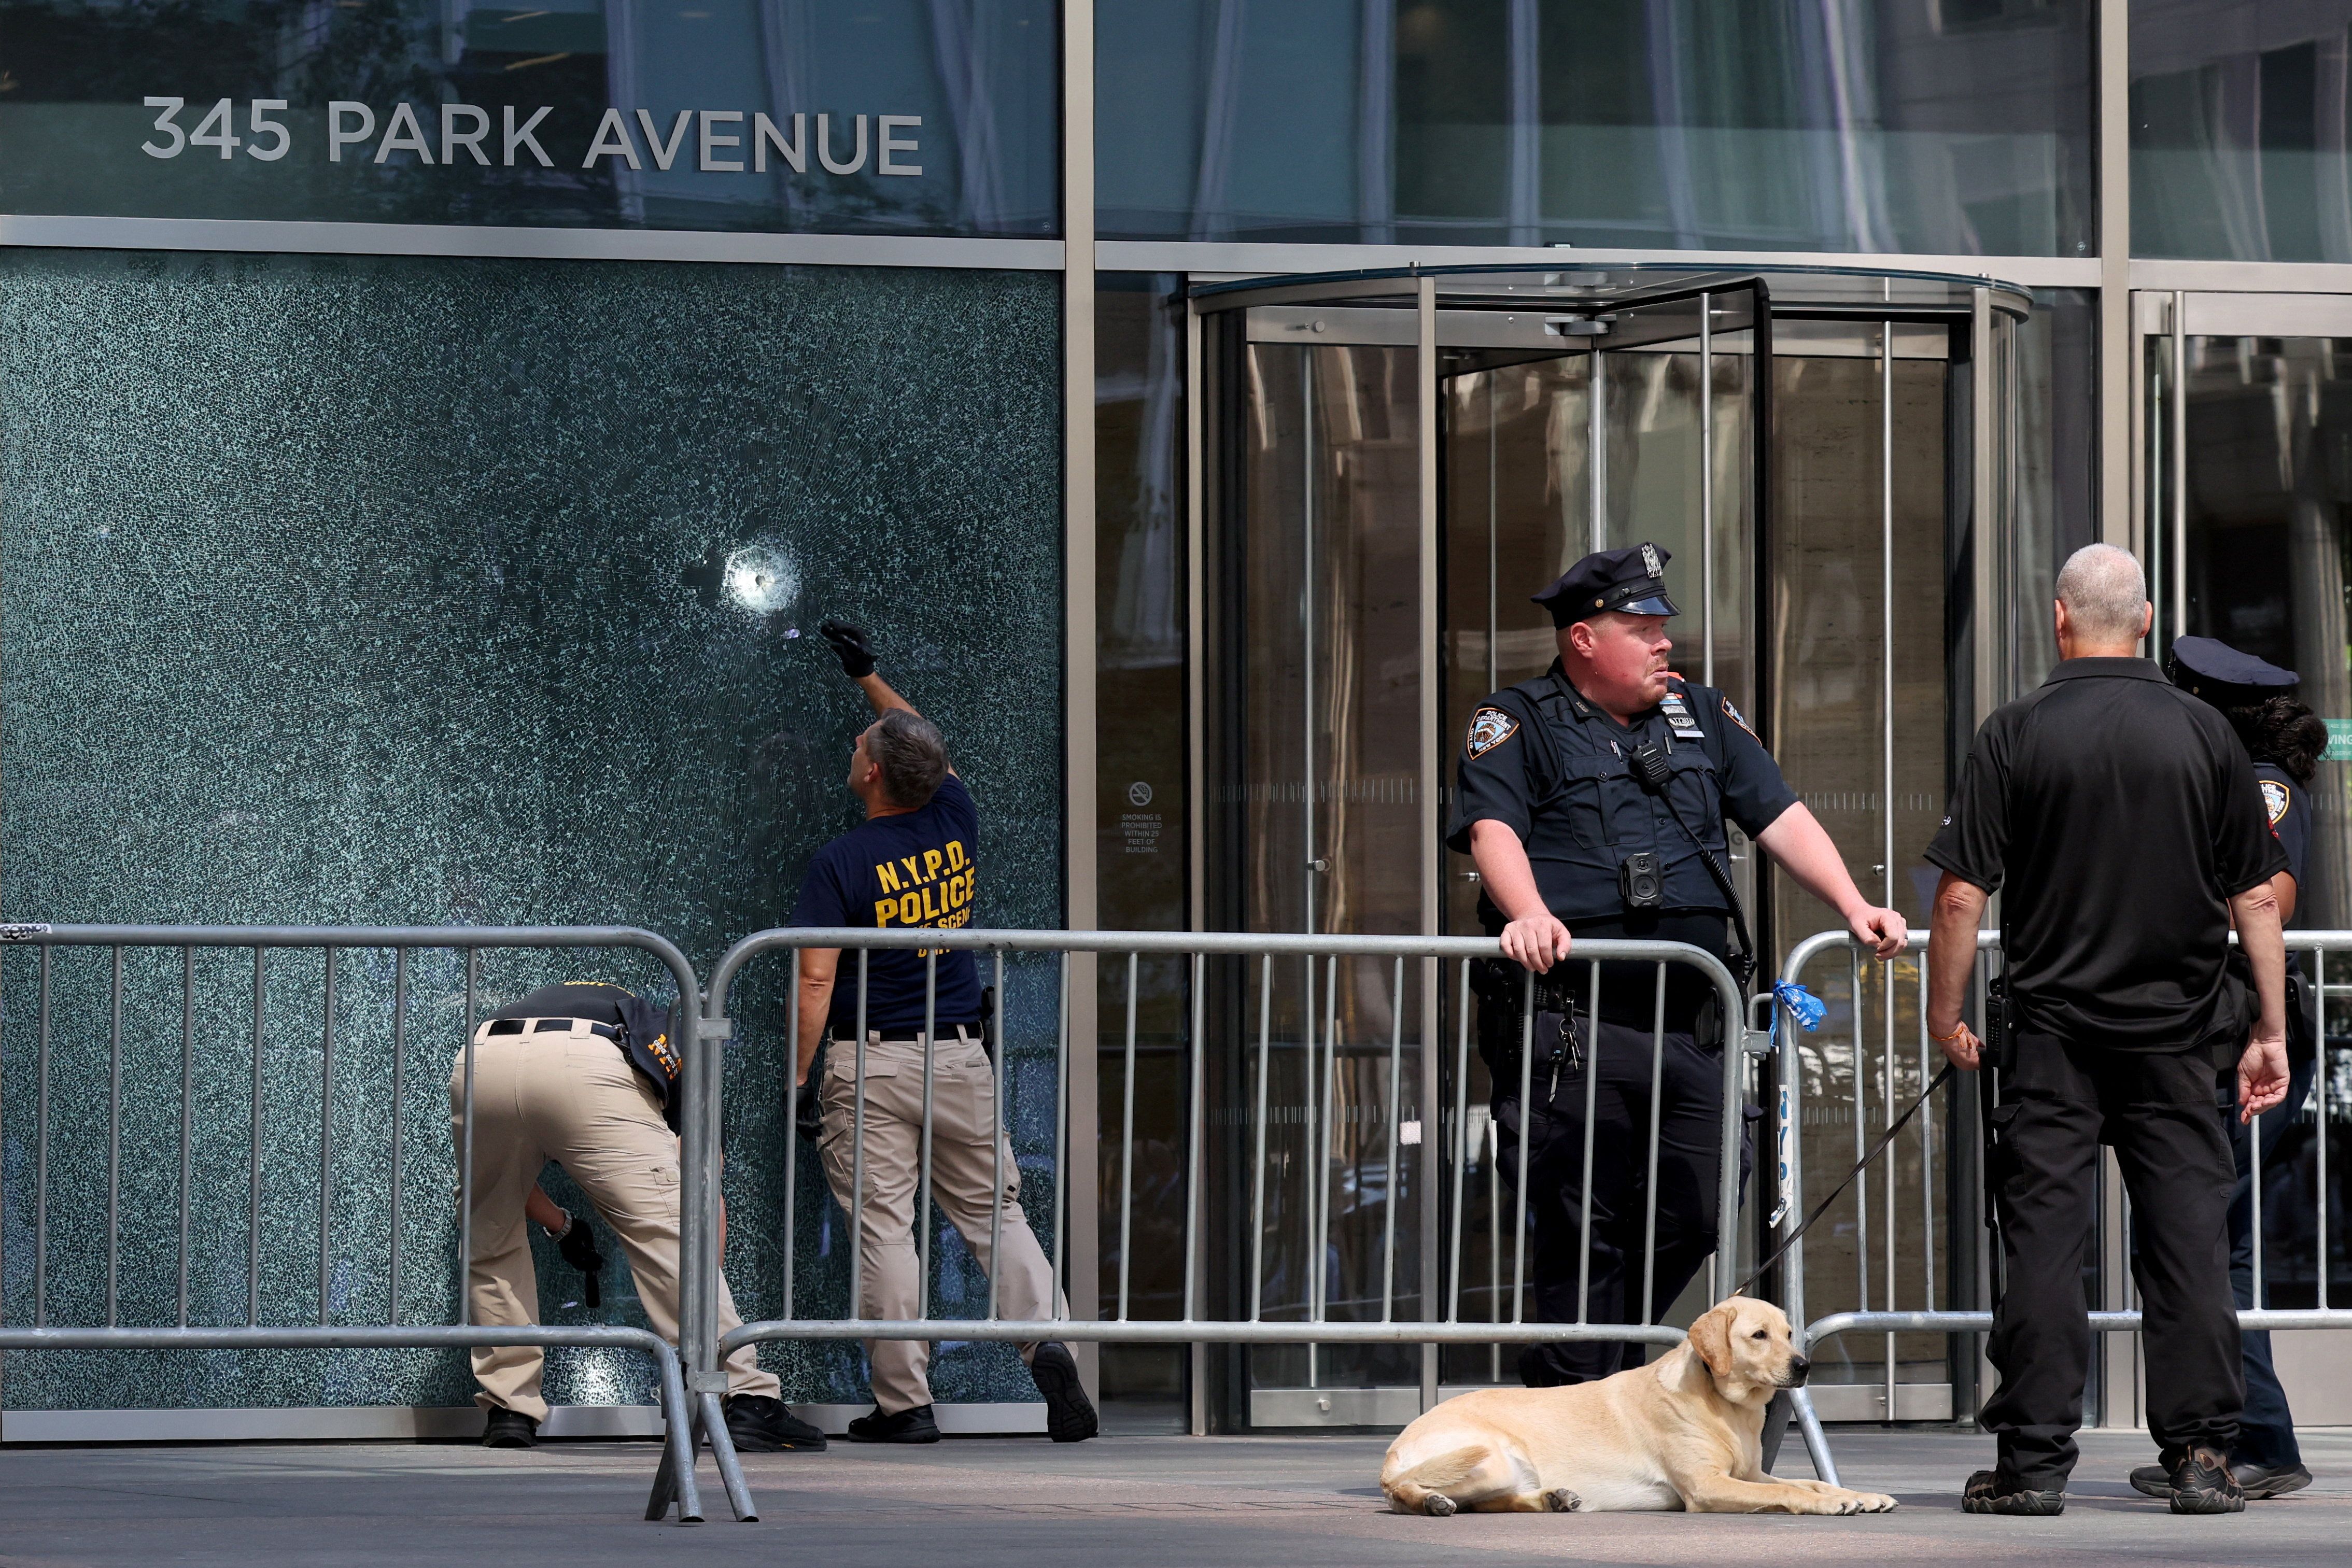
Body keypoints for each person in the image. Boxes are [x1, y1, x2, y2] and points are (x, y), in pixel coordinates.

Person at [1446, 542, 1907, 1387]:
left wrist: (1853, 903)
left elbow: (1778, 816)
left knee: (1696, 1213)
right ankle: (1572, 1397)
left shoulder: (1702, 715)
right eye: (1641, 626)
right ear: (1583, 639)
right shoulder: (1515, 721)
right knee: (1579, 1223)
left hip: (1692, 1027)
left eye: (1664, 624)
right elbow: (1492, 832)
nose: (1664, 640)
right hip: (1575, 1025)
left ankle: (1601, 1364)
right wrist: (1530, 913)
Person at [1923, 545, 2292, 1517]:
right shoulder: (2206, 734)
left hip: (2049, 1036)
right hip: (2177, 1034)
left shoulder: (2014, 731)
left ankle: (2033, 1463)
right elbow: (2253, 894)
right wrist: (2271, 1028)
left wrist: (1944, 1010)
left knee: (2043, 1244)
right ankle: (2203, 1458)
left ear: (2058, 619)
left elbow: (1962, 893)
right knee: (2188, 1247)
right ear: (2145, 619)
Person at [789, 620, 1097, 1444]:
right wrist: (870, 677)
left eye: (861, 743)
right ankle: (1049, 1351)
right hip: (960, 1056)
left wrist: (795, 1079)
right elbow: (927, 746)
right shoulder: (952, 814)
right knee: (996, 1216)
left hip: (874, 1060)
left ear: (874, 773)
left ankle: (905, 1405)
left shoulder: (841, 861)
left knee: (885, 1228)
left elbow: (814, 979)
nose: (854, 748)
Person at [2122, 636, 2329, 1502]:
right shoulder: (2211, 782)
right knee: (2197, 1243)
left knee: (2212, 1245)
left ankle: (2261, 1441)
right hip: (2208, 1033)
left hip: (2244, 1035)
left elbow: (2267, 898)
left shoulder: (2258, 786)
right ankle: (2211, 1442)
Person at [452, 979, 824, 1452]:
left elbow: (511, 1190)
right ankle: (746, 1395)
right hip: (587, 1055)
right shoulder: (677, 1054)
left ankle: (510, 1408)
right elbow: (700, 1198)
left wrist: (561, 1224)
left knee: (490, 1234)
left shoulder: (617, 1017)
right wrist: (704, 1284)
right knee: (666, 1235)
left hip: (482, 1055)